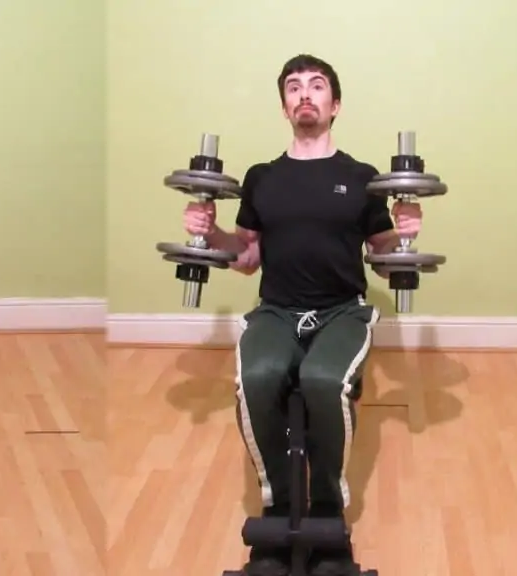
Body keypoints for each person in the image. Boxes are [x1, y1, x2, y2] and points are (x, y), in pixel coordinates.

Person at [184, 54, 422, 575]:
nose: (305, 94)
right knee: (258, 376)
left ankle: (326, 515)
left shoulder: (361, 177)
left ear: (335, 105)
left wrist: (404, 233)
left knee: (322, 380)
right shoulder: (262, 177)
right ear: (284, 106)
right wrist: (208, 229)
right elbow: (246, 257)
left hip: (342, 312)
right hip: (277, 311)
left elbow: (382, 260)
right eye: (294, 87)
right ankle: (276, 513)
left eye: (317, 86)